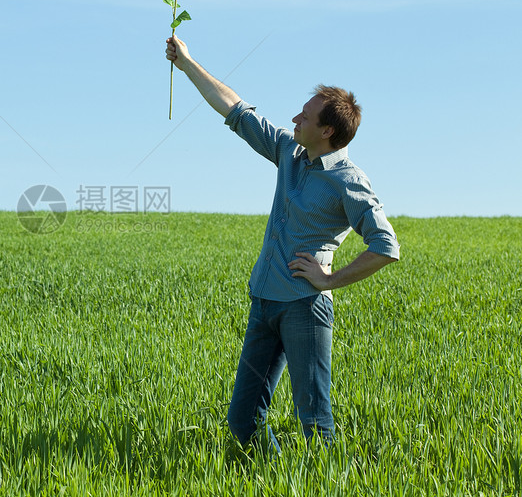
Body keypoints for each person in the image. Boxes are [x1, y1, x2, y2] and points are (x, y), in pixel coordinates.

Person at [165, 35, 400, 452]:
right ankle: (272, 478)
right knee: (241, 422)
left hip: (304, 309)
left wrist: (329, 279)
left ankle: (322, 484)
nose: (295, 118)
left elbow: (385, 245)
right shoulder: (290, 152)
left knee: (314, 423)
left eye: (305, 116)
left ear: (327, 130)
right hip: (264, 301)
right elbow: (237, 109)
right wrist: (187, 64)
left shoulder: (348, 181)